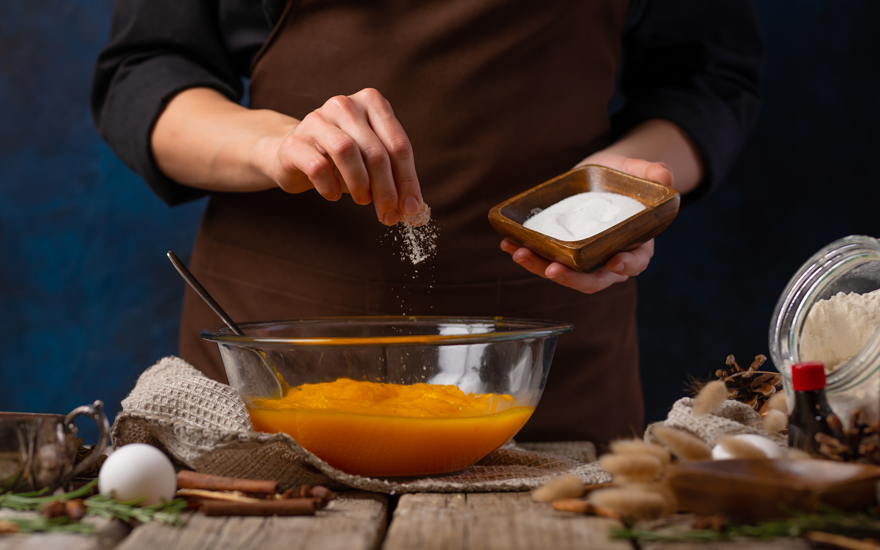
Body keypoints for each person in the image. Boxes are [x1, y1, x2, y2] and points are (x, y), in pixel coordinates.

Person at [92, 0, 763, 445]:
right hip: (272, 354)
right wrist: (275, 146)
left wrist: (615, 199)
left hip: (542, 360)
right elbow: (146, 68)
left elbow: (706, 76)